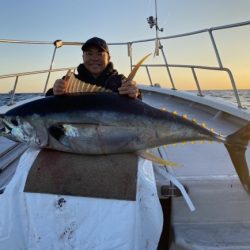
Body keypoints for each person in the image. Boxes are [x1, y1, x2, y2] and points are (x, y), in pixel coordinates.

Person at [46, 37, 140, 99]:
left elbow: (137, 103)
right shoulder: (70, 82)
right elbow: (49, 100)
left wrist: (135, 93)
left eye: (100, 54)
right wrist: (54, 91)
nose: (94, 59)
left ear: (109, 58)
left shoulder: (120, 81)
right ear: (83, 57)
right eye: (89, 54)